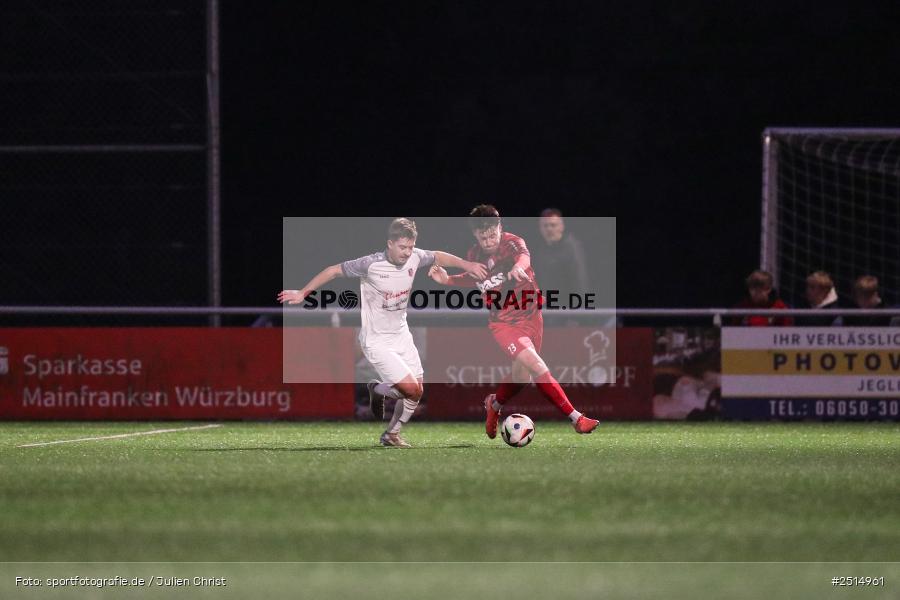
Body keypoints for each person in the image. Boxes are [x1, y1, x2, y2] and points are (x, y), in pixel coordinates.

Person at [278, 218, 486, 448]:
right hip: (376, 340)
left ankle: (391, 434)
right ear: (390, 243)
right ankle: (377, 388)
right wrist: (303, 293)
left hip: (401, 335)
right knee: (410, 389)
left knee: (417, 393)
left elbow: (437, 255)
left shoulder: (415, 256)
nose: (407, 253)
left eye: (410, 247)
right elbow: (333, 271)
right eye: (402, 247)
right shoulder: (370, 264)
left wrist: (468, 265)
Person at [428, 204, 600, 437]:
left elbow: (524, 258)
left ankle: (494, 405)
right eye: (482, 236)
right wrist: (448, 280)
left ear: (500, 227)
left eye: (491, 234)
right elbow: (475, 278)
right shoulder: (474, 255)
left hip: (532, 317)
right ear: (475, 234)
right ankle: (577, 418)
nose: (488, 240)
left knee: (522, 376)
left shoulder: (512, 242)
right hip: (504, 324)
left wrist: (519, 268)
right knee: (538, 366)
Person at [531, 208, 590, 300]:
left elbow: (579, 281)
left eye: (553, 225)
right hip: (547, 307)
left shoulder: (572, 249)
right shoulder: (539, 250)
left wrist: (579, 309)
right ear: (540, 228)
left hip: (567, 309)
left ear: (561, 226)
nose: (549, 229)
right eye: (545, 226)